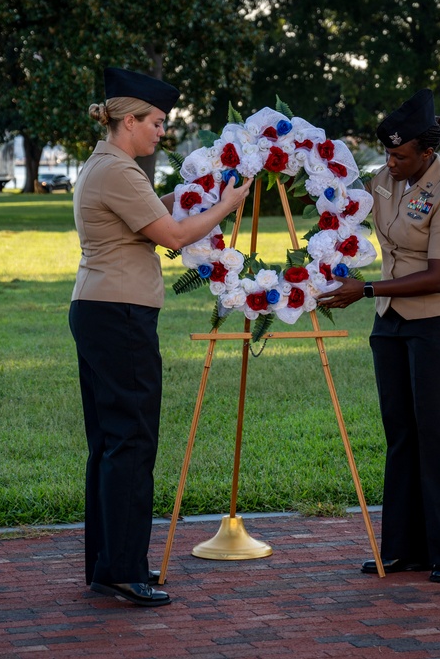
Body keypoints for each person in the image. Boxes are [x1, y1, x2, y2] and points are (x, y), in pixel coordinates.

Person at [70, 67, 252, 607]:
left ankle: (108, 564)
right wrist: (228, 205)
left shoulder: (109, 167)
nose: (160, 133)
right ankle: (125, 569)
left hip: (102, 310)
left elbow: (162, 212)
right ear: (129, 120)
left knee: (110, 441)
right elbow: (171, 235)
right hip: (119, 316)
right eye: (155, 122)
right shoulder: (119, 171)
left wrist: (202, 192)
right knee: (131, 441)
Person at [317, 89, 440, 584]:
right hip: (392, 323)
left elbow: (438, 276)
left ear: (426, 152)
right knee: (402, 436)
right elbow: (329, 194)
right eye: (388, 153)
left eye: (401, 154)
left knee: (438, 435)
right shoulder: (384, 180)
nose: (391, 162)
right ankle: (402, 550)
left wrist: (364, 288)